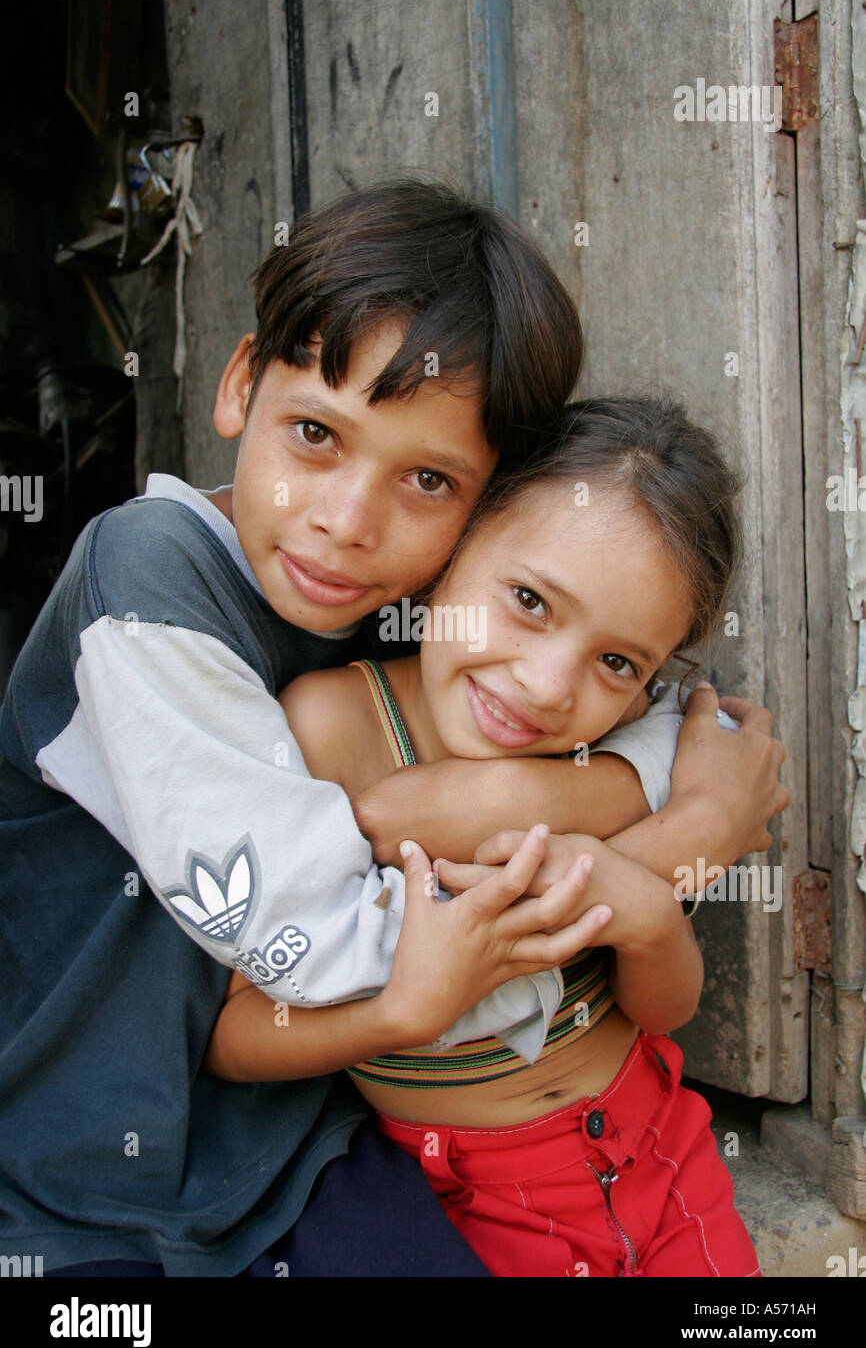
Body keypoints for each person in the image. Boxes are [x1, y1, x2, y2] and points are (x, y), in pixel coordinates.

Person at [0, 176, 786, 1277]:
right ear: (237, 385)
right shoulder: (145, 586)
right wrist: (676, 837)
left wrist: (499, 798)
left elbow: (668, 731)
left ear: (484, 506)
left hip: (306, 1141)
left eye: (426, 478)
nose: (347, 521)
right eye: (314, 434)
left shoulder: (417, 612)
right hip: (88, 1171)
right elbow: (340, 941)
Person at [208, 397, 771, 1277]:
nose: (550, 688)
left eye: (618, 661)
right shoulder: (332, 730)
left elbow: (664, 1010)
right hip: (469, 1200)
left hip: (666, 1159)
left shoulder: (622, 738)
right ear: (454, 544)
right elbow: (235, 1032)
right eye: (529, 601)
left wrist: (654, 918)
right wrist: (404, 1009)